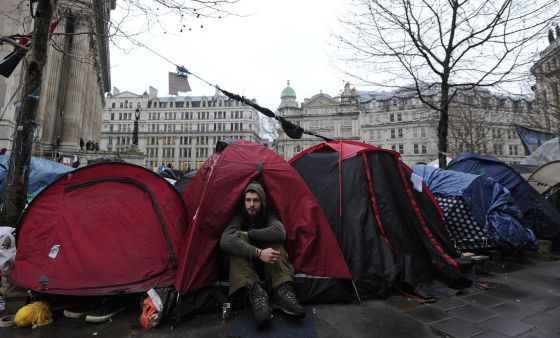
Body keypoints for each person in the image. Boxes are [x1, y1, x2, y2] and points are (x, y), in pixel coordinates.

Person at [220, 181, 305, 325]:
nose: (251, 205)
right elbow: (225, 240)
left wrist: (250, 234)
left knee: (276, 242)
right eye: (248, 200)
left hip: (269, 266)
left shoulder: (268, 214)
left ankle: (282, 289)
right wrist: (258, 252)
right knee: (237, 240)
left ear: (262, 201)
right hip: (246, 267)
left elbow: (280, 232)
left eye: (256, 200)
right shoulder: (240, 215)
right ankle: (256, 294)